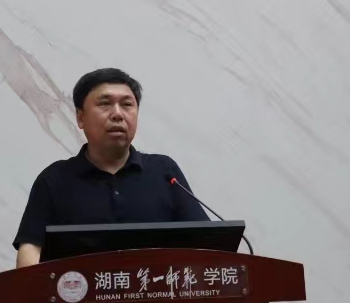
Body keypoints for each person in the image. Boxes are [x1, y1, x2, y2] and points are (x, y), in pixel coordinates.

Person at [13, 68, 209, 268]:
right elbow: (30, 250)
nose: (117, 114)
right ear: (80, 118)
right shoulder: (54, 179)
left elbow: (207, 244)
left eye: (127, 105)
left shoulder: (164, 172)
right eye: (105, 104)